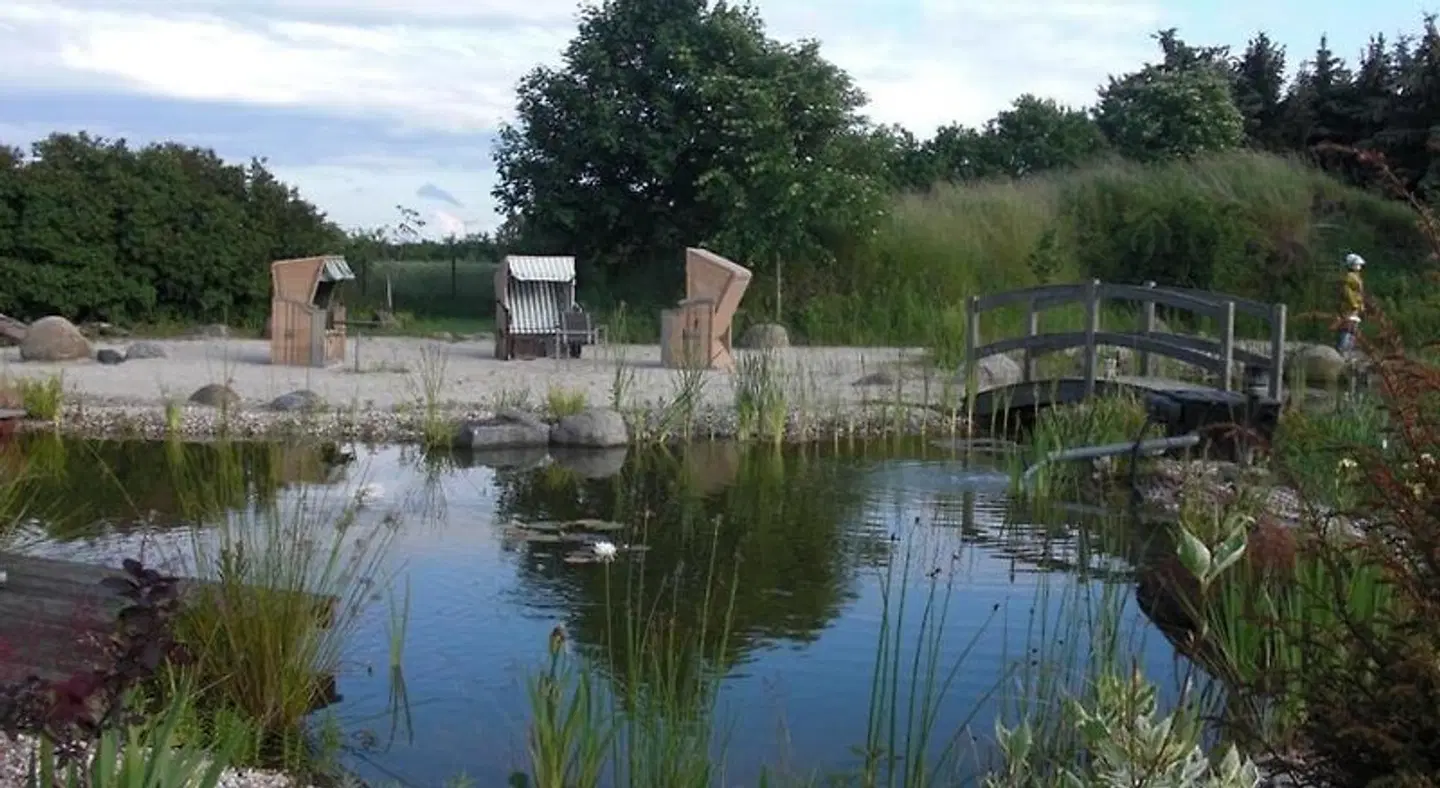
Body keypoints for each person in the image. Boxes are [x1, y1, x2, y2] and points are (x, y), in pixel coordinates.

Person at [1336, 252, 1365, 353]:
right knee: (1347, 327)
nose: (1359, 266)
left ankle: (1348, 349)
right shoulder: (1349, 277)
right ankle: (1342, 348)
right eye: (1357, 264)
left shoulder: (1356, 276)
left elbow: (1359, 293)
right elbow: (1347, 292)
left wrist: (1360, 305)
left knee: (1353, 328)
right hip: (1348, 307)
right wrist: (1354, 304)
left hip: (1354, 307)